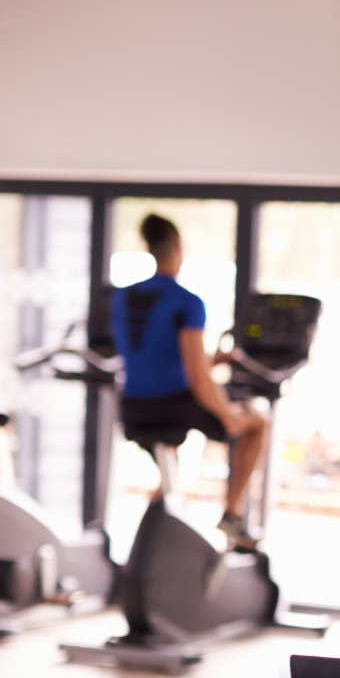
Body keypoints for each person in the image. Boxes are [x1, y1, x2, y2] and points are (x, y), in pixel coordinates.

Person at [111, 213, 268, 549]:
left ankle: (150, 547)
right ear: (177, 248)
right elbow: (198, 378)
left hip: (133, 407)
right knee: (255, 424)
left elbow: (154, 356)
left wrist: (213, 359)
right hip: (175, 405)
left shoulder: (122, 298)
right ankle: (232, 514)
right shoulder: (187, 302)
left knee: (170, 475)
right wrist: (229, 417)